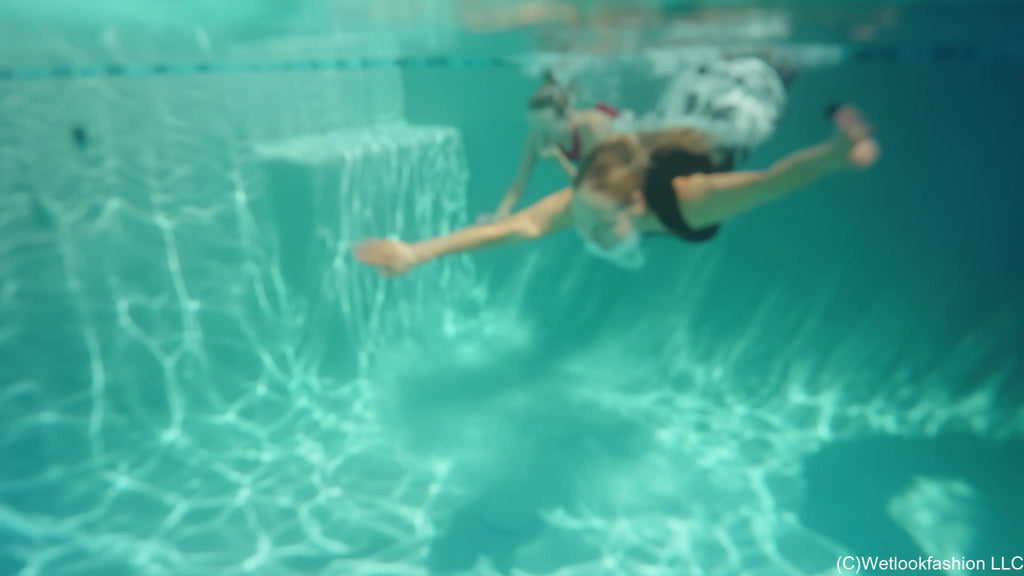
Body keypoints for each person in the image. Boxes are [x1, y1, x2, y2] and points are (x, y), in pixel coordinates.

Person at [355, 105, 879, 276]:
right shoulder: (586, 200)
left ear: (636, 204)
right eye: (585, 221)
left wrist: (835, 155)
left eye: (603, 225)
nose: (593, 236)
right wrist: (416, 253)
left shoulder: (690, 202)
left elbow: (773, 183)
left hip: (732, 119)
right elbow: (519, 225)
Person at [486, 71, 622, 222]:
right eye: (536, 129)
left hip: (623, 133)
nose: (542, 137)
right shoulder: (537, 136)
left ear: (567, 117)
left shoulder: (592, 129)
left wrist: (559, 158)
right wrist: (502, 211)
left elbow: (589, 188)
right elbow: (518, 184)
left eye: (547, 130)